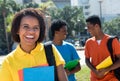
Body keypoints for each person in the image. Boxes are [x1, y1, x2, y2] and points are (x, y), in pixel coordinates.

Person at [0, 8, 68, 81]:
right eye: (26, 26)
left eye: (36, 28)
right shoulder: (8, 62)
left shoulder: (50, 50)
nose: (31, 32)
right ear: (17, 30)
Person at [85, 15, 120, 81]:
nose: (88, 30)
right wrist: (95, 71)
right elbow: (87, 60)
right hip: (94, 78)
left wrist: (107, 69)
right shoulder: (88, 42)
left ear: (97, 26)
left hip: (111, 78)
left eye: (89, 27)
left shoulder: (113, 41)